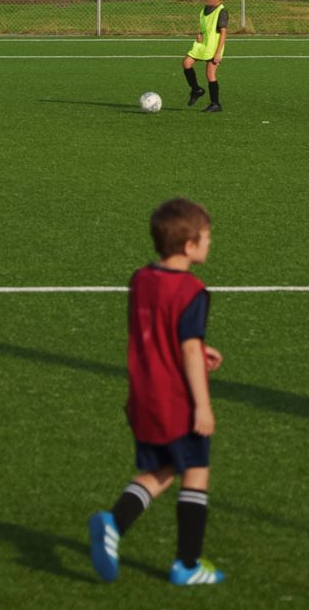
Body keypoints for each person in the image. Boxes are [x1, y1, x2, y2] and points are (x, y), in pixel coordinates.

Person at [88, 196, 226, 586]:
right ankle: (187, 564)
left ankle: (113, 524)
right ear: (189, 245)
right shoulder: (191, 291)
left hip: (144, 397)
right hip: (177, 401)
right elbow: (186, 348)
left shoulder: (141, 279)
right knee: (195, 471)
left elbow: (157, 330)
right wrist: (202, 405)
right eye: (206, 237)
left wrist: (198, 348)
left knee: (163, 470)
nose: (210, 243)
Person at [183, 0, 229, 113]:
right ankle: (196, 89)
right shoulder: (204, 9)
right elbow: (206, 27)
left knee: (210, 74)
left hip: (214, 47)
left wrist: (218, 53)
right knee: (186, 63)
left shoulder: (221, 11)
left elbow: (223, 33)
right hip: (203, 44)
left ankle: (215, 104)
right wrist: (200, 34)